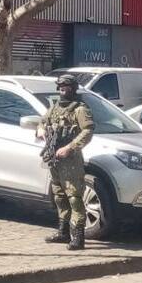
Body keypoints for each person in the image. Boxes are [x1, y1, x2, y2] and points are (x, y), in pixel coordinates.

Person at [37, 74, 95, 250]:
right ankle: (63, 232)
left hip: (70, 160)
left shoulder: (80, 109)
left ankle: (78, 236)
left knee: (74, 197)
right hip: (55, 158)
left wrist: (70, 147)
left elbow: (88, 131)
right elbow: (42, 121)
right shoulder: (55, 107)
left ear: (73, 88)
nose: (63, 89)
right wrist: (41, 130)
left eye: (66, 87)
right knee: (59, 195)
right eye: (61, 87)